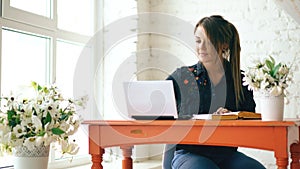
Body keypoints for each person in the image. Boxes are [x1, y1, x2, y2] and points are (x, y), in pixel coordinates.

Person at [166, 15, 266, 169]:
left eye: (209, 41)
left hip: (226, 154)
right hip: (189, 153)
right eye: (198, 41)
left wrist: (231, 116)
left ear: (224, 45)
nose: (201, 47)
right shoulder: (182, 77)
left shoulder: (241, 80)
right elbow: (161, 112)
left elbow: (250, 118)